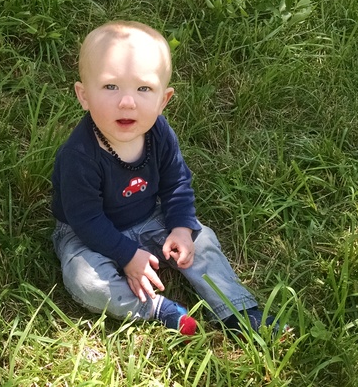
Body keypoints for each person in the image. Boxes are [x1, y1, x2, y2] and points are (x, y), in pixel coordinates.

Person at [51, 20, 280, 338]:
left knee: (203, 240)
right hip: (86, 233)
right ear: (83, 95)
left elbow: (176, 182)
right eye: (110, 86)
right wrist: (127, 255)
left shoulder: (159, 134)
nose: (127, 101)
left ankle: (238, 310)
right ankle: (157, 309)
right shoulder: (79, 154)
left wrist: (182, 229)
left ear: (164, 99)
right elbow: (85, 217)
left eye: (143, 89)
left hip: (149, 217)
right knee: (84, 279)